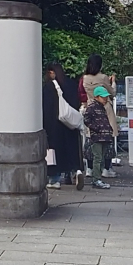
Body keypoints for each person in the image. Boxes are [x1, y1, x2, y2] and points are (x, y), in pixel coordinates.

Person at [41, 61, 80, 190]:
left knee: (54, 151)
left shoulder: (49, 87)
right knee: (69, 149)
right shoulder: (71, 84)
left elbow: (46, 108)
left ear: (51, 72)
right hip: (69, 123)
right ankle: (74, 172)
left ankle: (55, 179)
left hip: (55, 125)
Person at [79, 55, 117, 177]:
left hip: (91, 107)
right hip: (105, 109)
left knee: (91, 138)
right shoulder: (103, 77)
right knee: (107, 138)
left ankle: (90, 168)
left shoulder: (85, 78)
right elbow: (112, 93)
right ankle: (106, 168)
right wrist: (113, 82)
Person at [82, 85, 117, 188]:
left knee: (101, 158)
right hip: (97, 137)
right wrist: (96, 128)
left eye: (106, 97)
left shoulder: (102, 107)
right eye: (103, 97)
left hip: (104, 136)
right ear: (96, 97)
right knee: (97, 158)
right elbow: (86, 119)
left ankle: (98, 178)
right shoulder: (92, 107)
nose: (105, 99)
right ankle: (96, 179)